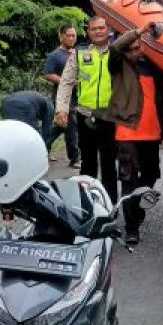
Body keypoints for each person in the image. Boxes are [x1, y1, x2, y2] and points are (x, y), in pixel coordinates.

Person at [107, 23, 163, 245]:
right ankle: (131, 228)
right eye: (132, 48)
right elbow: (116, 47)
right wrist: (138, 31)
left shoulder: (153, 68)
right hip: (127, 135)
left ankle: (138, 207)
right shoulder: (118, 66)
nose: (136, 52)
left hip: (152, 134)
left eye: (139, 48)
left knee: (151, 175)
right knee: (128, 180)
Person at [55, 16, 117, 200]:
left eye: (101, 28)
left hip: (110, 116)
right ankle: (86, 203)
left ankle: (110, 205)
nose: (97, 32)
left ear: (109, 30)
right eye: (93, 29)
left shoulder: (117, 51)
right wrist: (61, 109)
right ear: (88, 31)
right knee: (88, 163)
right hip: (85, 115)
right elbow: (66, 81)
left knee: (108, 164)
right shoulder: (79, 52)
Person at [41, 24, 80, 168]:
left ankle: (40, 148)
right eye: (68, 35)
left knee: (60, 126)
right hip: (62, 98)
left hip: (77, 97)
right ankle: (75, 158)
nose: (71, 38)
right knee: (71, 126)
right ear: (61, 36)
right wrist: (68, 82)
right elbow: (48, 74)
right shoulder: (54, 55)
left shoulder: (76, 53)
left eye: (73, 36)